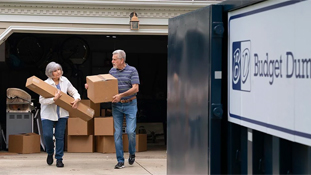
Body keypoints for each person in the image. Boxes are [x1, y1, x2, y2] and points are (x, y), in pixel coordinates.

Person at [85, 49, 140, 169]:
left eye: (114, 59)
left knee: (130, 131)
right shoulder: (112, 71)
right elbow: (104, 86)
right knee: (118, 133)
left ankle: (132, 153)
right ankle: (120, 160)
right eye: (112, 59)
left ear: (122, 60)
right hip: (117, 106)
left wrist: (121, 95)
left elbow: (135, 88)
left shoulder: (132, 70)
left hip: (130, 104)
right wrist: (90, 86)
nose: (112, 61)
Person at [39, 62, 81, 168]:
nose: (58, 72)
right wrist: (54, 99)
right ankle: (49, 152)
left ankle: (59, 159)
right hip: (48, 114)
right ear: (50, 73)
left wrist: (77, 98)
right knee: (47, 135)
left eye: (59, 70)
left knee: (60, 136)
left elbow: (73, 91)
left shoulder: (65, 80)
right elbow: (42, 100)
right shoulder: (45, 83)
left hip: (62, 113)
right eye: (55, 70)